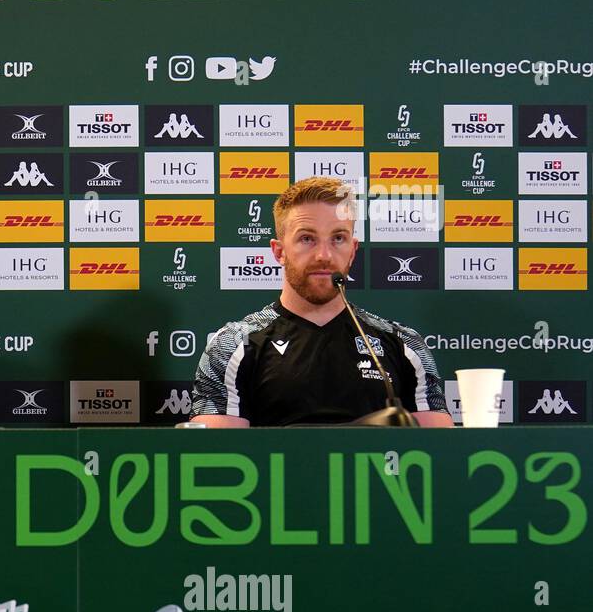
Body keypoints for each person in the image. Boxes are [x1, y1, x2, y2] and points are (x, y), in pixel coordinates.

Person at [192, 176, 452, 427]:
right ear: (279, 251)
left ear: (353, 250)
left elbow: (436, 455)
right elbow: (216, 458)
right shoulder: (233, 345)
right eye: (307, 238)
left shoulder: (402, 343)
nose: (324, 255)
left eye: (338, 238)